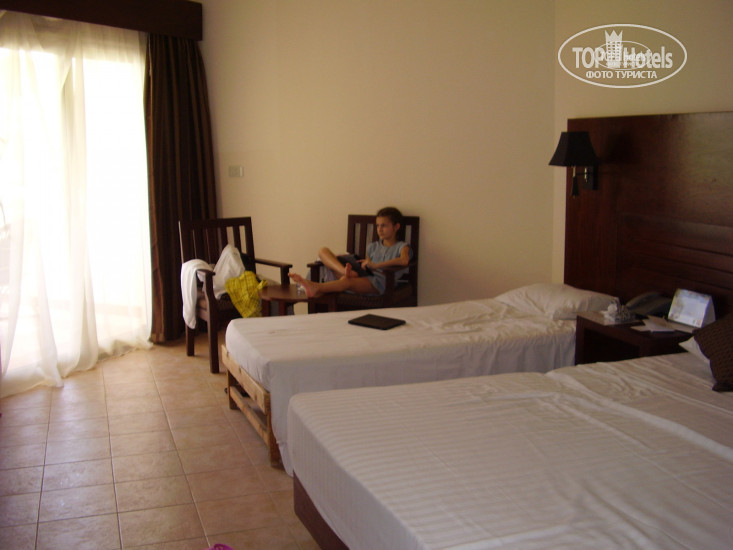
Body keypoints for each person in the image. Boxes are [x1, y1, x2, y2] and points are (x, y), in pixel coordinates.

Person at [289, 207, 412, 298]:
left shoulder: (402, 246)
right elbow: (367, 268)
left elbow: (404, 260)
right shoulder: (373, 246)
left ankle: (315, 287)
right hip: (363, 277)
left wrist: (376, 265)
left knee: (346, 281)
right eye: (378, 225)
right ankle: (345, 272)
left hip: (382, 283)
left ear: (396, 227)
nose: (379, 229)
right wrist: (362, 265)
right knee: (323, 251)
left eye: (384, 225)